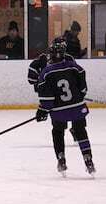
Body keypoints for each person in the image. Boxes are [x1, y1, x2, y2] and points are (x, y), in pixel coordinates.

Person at [36, 38, 96, 177]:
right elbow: (82, 85)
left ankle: (61, 158)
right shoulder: (74, 66)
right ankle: (88, 159)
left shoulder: (46, 72)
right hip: (77, 107)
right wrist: (80, 95)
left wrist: (43, 109)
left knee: (57, 131)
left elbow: (47, 98)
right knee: (80, 131)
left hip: (59, 111)